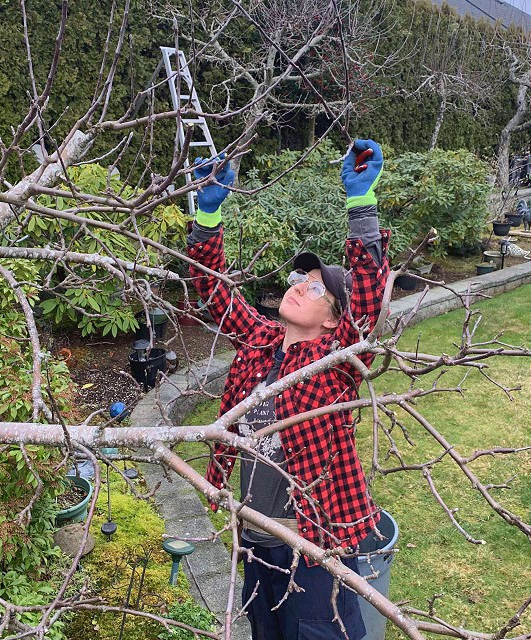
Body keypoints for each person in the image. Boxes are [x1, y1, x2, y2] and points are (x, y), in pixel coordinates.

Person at [187, 139, 390, 640]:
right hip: (254, 532)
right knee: (266, 632)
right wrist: (207, 218)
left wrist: (361, 207)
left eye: (318, 286)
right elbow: (212, 289)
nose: (300, 285)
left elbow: (366, 299)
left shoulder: (336, 362)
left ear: (334, 320)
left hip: (313, 540)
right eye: (301, 277)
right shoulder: (258, 339)